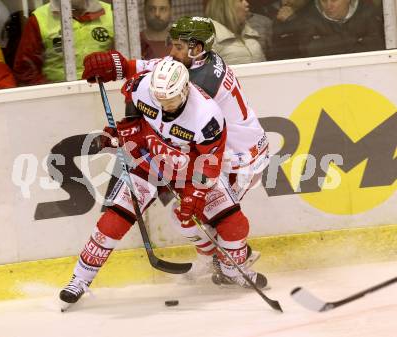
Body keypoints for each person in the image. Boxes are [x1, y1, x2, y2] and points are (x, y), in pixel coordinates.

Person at [59, 59, 268, 308]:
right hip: (149, 159)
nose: (162, 104)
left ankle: (232, 270)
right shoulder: (143, 87)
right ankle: (79, 280)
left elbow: (209, 164)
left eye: (169, 99)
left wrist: (194, 195)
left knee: (233, 223)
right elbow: (134, 114)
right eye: (158, 98)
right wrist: (121, 133)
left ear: (184, 90)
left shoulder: (206, 117)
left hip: (189, 169)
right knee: (114, 220)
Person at [80, 16, 269, 284]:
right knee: (190, 215)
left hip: (239, 158)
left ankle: (230, 263)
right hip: (220, 151)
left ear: (198, 48)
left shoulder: (202, 82)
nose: (172, 52)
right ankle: (224, 259)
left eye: (179, 47)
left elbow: (165, 111)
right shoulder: (193, 64)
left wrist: (129, 131)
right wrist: (115, 64)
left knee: (198, 214)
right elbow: (150, 68)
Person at [13, 0, 114, 86]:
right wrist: (53, 93)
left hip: (108, 89)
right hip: (59, 96)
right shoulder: (39, 18)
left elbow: (126, 61)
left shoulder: (113, 13)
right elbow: (25, 70)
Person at [299, 0, 385, 57]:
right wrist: (352, 38)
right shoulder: (309, 18)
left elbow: (377, 47)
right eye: (324, 1)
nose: (329, 6)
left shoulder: (368, 13)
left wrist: (327, 43)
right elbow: (307, 50)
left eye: (334, 0)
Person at [205, 0, 266, 64]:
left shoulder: (250, 33)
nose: (247, 4)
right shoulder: (207, 38)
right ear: (225, 6)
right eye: (240, 0)